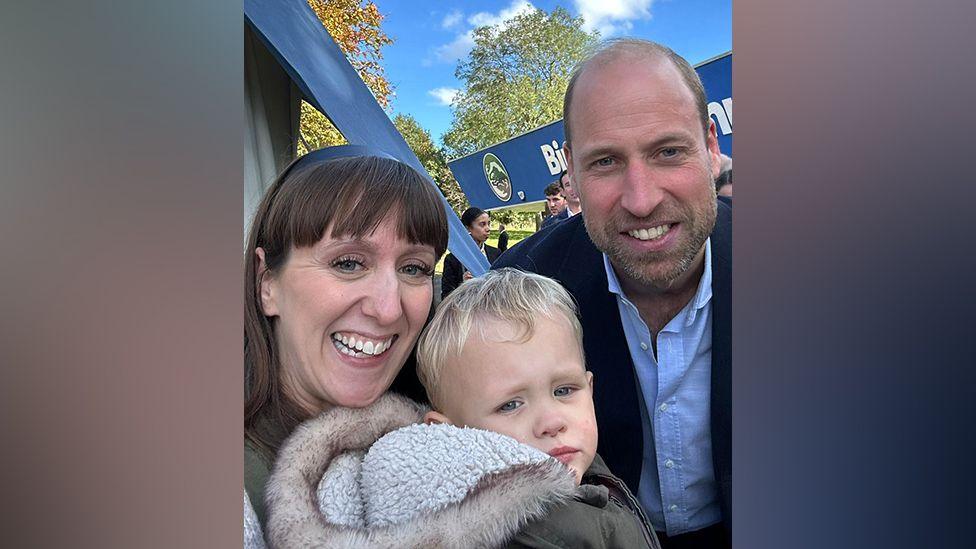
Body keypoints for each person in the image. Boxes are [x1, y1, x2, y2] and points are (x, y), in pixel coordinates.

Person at [493, 38, 731, 548]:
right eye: (605, 162)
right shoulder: (518, 289)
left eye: (668, 152)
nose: (642, 200)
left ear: (711, 146)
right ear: (573, 174)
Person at [262, 269, 660, 548]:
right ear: (447, 433)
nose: (553, 422)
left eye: (565, 390)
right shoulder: (520, 534)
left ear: (590, 388)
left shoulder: (581, 469)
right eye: (510, 405)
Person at [243, 145, 449, 537]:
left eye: (414, 268)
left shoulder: (453, 429)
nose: (388, 309)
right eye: (348, 263)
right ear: (266, 283)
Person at [440, 206, 500, 300]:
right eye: (482, 224)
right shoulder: (453, 259)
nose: (488, 228)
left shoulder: (496, 253)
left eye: (489, 224)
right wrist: (463, 286)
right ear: (468, 228)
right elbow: (446, 297)